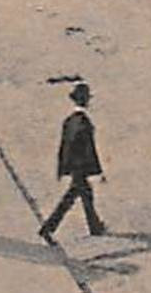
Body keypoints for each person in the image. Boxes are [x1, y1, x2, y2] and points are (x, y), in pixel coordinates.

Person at [39, 81, 106, 241]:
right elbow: (90, 150)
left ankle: (95, 227)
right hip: (81, 168)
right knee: (73, 197)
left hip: (73, 167)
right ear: (86, 101)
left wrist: (62, 168)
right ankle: (48, 228)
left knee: (84, 195)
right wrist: (98, 171)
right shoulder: (84, 123)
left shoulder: (69, 121)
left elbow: (63, 147)